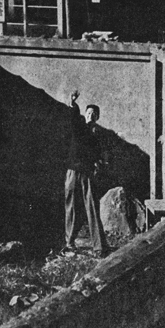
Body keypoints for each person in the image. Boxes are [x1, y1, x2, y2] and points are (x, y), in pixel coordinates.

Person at [64, 90, 108, 258]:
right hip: (73, 171)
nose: (91, 115)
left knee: (92, 207)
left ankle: (99, 247)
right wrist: (72, 102)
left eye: (94, 114)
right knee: (71, 206)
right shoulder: (80, 125)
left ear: (97, 117)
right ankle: (69, 243)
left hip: (87, 173)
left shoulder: (98, 134)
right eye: (89, 113)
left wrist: (98, 163)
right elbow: (73, 117)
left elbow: (100, 154)